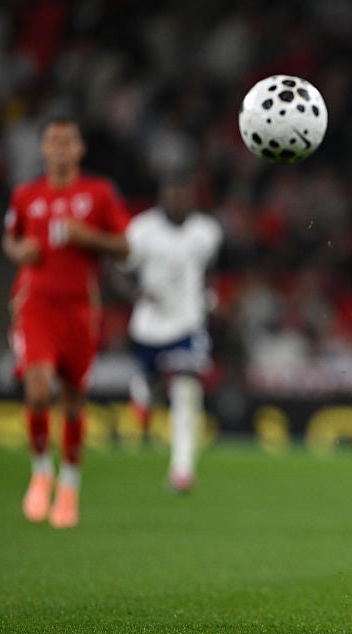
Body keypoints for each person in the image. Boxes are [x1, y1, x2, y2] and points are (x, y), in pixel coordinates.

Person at [3, 113, 131, 528]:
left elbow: (126, 246)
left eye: (67, 141)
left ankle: (70, 485)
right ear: (42, 148)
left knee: (74, 401)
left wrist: (85, 237)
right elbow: (12, 237)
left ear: (80, 149)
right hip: (35, 306)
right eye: (52, 141)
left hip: (79, 310)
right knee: (38, 393)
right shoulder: (26, 195)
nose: (59, 148)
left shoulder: (99, 193)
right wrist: (19, 252)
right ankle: (41, 473)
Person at [123, 171, 222, 492]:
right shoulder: (141, 230)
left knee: (186, 392)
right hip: (149, 325)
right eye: (173, 191)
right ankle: (143, 392)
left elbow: (208, 269)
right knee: (149, 388)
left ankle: (182, 471)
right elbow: (117, 270)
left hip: (187, 323)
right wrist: (137, 295)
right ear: (162, 193)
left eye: (185, 192)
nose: (179, 198)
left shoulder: (206, 232)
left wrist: (208, 297)